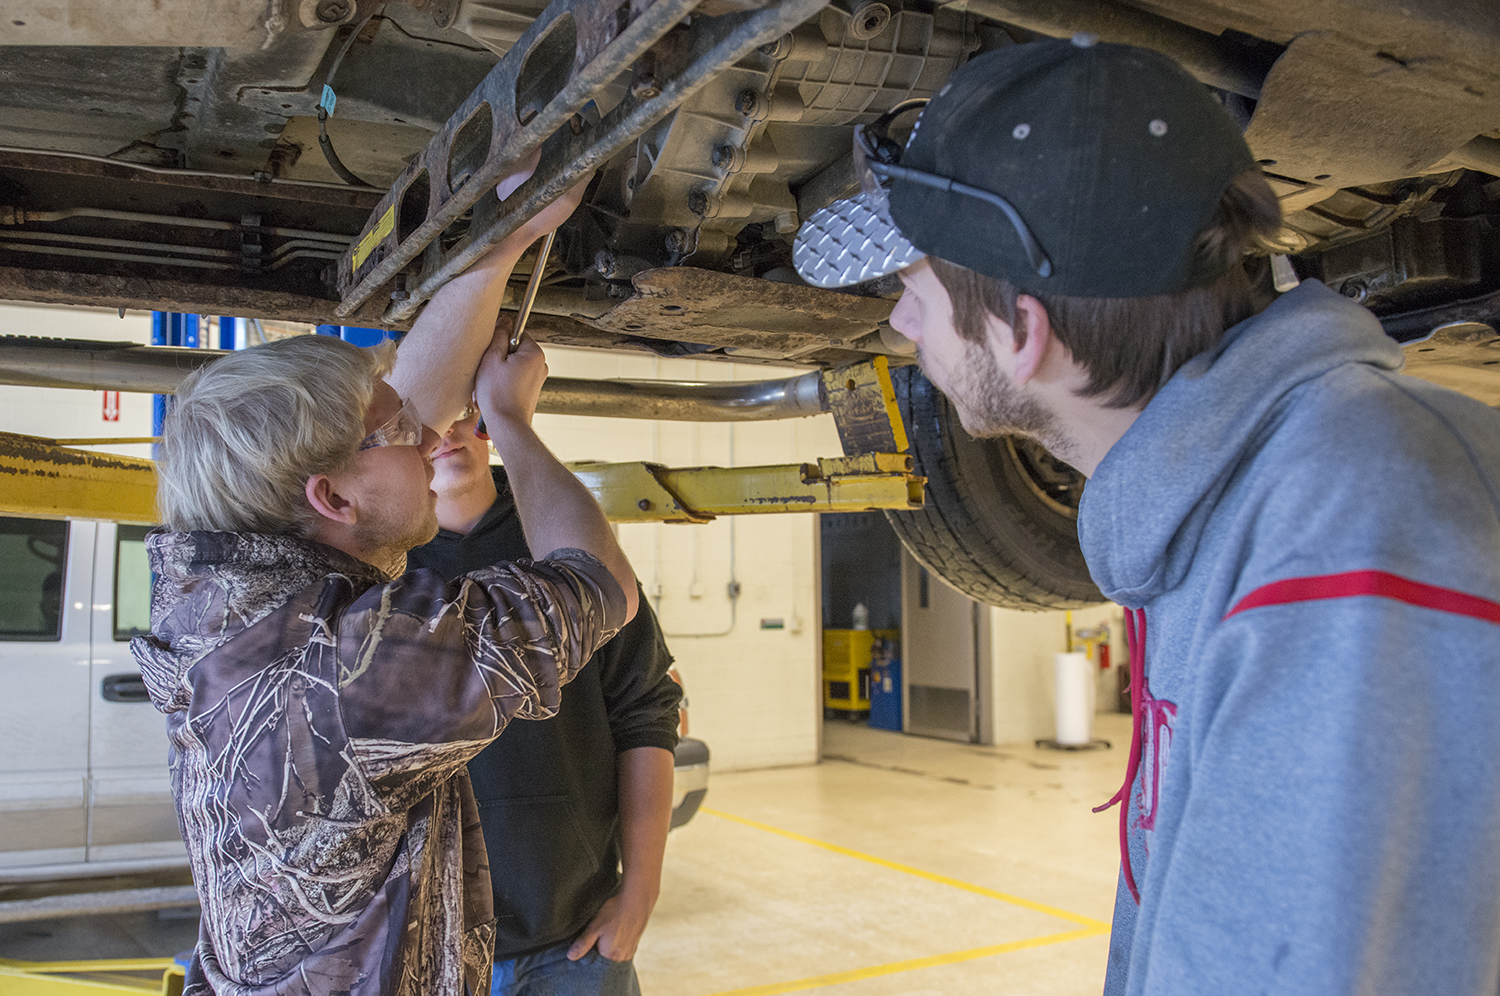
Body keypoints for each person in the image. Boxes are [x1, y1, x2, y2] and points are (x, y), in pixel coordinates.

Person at [793, 35, 1500, 996]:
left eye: (914, 291)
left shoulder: (1347, 545)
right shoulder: (1244, 508)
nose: (898, 327)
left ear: (1025, 332)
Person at [132, 165, 638, 996]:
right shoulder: (350, 674)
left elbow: (402, 406)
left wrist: (505, 240)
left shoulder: (227, 593)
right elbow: (599, 584)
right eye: (398, 437)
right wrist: (509, 422)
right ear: (329, 498)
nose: (431, 439)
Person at [406, 403, 680, 996]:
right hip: (426, 953)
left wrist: (640, 894)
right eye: (428, 412)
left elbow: (646, 714)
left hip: (575, 944)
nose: (448, 432)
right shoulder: (375, 564)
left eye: (465, 410)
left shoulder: (566, 537)